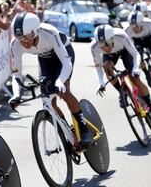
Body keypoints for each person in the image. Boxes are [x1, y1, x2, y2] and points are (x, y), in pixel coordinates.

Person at [8, 12, 94, 150]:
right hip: (45, 58)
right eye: (18, 37)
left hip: (63, 55)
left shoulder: (49, 33)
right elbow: (16, 75)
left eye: (24, 37)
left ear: (35, 32)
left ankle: (85, 130)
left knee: (63, 91)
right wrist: (16, 94)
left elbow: (67, 63)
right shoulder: (15, 44)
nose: (22, 41)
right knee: (48, 100)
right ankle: (70, 131)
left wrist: (60, 81)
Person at [91, 24, 151, 127]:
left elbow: (136, 54)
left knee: (135, 79)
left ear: (112, 38)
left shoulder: (121, 36)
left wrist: (135, 68)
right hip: (111, 57)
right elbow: (98, 66)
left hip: (126, 51)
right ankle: (121, 92)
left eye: (107, 44)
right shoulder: (94, 46)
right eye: (102, 46)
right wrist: (101, 83)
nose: (105, 48)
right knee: (106, 67)